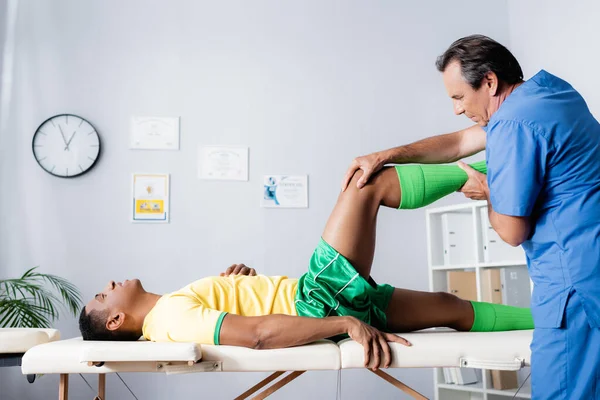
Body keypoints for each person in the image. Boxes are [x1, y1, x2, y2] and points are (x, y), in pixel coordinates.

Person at [342, 35, 600, 398]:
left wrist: (487, 193)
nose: (457, 109)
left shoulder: (512, 127)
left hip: (573, 280)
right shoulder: (549, 92)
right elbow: (459, 143)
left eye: (459, 97)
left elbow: (511, 230)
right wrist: (386, 155)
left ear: (490, 82)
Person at [80, 164, 533, 371]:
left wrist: (236, 286)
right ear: (117, 320)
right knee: (367, 182)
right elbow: (257, 335)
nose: (111, 283)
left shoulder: (171, 312)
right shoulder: (170, 319)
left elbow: (246, 316)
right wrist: (346, 323)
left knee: (449, 308)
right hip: (318, 302)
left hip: (321, 305)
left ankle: (554, 322)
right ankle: (498, 169)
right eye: (104, 296)